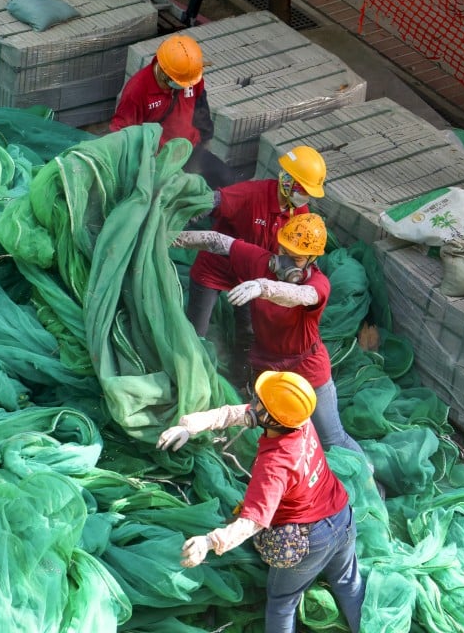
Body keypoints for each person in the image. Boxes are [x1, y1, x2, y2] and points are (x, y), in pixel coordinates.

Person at [157, 370, 365, 633]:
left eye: (259, 400)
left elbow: (252, 522)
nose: (253, 401)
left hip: (312, 537)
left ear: (269, 417)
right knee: (348, 582)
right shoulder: (299, 419)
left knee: (281, 603)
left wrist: (209, 542)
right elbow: (237, 413)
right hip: (342, 516)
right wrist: (189, 426)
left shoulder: (274, 464)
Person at [174, 213, 363, 454]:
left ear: (312, 260)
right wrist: (171, 238)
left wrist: (263, 287)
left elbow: (302, 296)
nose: (286, 262)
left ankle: (367, 477)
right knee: (266, 428)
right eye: (283, 252)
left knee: (332, 439)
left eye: (296, 258)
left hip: (307, 371)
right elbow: (217, 241)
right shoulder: (260, 262)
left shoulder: (318, 284)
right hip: (268, 369)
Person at [185, 147, 328, 383]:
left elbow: (302, 249)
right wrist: (187, 212)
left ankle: (238, 380)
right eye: (303, 189)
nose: (305, 197)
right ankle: (189, 377)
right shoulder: (254, 193)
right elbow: (215, 201)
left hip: (250, 279)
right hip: (214, 269)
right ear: (287, 180)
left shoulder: (300, 214)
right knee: (195, 331)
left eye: (308, 193)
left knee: (248, 333)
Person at [110, 34, 214, 152]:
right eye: (182, 82)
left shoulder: (189, 75)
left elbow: (201, 106)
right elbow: (121, 130)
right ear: (164, 73)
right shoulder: (137, 91)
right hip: (158, 156)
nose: (189, 85)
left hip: (189, 148)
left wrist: (206, 139)